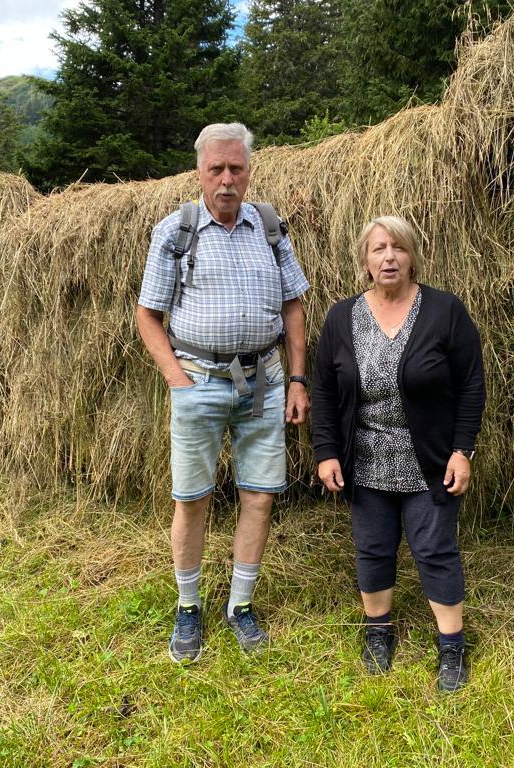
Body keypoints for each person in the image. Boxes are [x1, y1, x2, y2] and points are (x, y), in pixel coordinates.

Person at [136, 122, 311, 663]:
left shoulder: (270, 228)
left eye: (236, 168)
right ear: (200, 172)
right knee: (192, 499)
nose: (227, 179)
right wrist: (177, 380)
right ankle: (188, 607)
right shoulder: (175, 231)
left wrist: (297, 379)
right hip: (200, 382)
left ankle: (240, 605)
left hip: (264, 382)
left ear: (249, 171)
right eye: (217, 169)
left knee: (259, 495)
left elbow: (293, 307)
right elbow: (147, 315)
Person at [311, 215, 485, 693]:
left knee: (434, 548)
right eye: (379, 249)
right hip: (364, 458)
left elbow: (471, 384)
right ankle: (378, 632)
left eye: (399, 248)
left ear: (412, 258)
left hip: (428, 459)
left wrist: (462, 450)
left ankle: (451, 645)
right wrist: (327, 451)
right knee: (372, 546)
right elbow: (324, 390)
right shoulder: (341, 317)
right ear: (365, 262)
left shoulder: (445, 310)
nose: (389, 257)